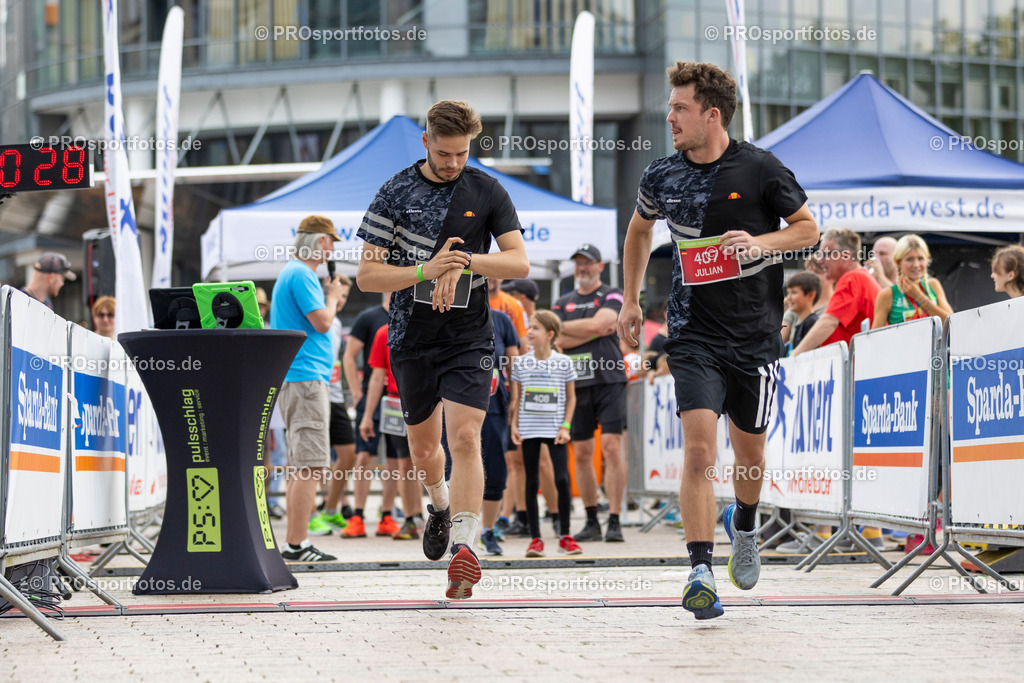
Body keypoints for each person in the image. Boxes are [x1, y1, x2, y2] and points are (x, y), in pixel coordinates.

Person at [617, 60, 819, 620]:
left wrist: (760, 245)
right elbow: (638, 230)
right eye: (670, 106)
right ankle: (701, 569)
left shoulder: (759, 167)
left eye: (680, 108)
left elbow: (807, 229)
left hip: (755, 337)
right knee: (701, 450)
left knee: (749, 455)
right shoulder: (661, 174)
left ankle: (747, 523)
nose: (670, 116)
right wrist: (631, 299)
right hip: (691, 333)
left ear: (711, 114)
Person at [355, 99, 529, 600]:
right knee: (424, 451)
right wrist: (424, 271)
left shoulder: (487, 190)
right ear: (426, 141)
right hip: (410, 339)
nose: (454, 163)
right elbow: (367, 275)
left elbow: (518, 264)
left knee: (467, 439)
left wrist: (464, 262)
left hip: (469, 336)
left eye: (463, 153)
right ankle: (438, 506)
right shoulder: (394, 191)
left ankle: (464, 550)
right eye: (446, 153)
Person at [271, 214, 345, 562]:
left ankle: (295, 542)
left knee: (303, 463)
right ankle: (297, 544)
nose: (332, 249)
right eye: (330, 242)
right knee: (310, 465)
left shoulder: (295, 273)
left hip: (299, 378)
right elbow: (323, 321)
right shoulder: (302, 273)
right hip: (305, 380)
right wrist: (332, 296)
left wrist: (329, 299)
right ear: (318, 242)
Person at [553, 243, 628, 543]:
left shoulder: (612, 293)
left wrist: (588, 328)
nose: (582, 268)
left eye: (588, 263)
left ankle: (615, 519)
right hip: (576, 384)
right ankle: (591, 518)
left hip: (609, 379)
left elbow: (605, 321)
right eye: (578, 263)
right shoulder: (562, 302)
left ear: (600, 266)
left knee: (611, 447)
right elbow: (557, 339)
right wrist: (596, 330)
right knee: (582, 453)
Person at [510, 310, 581, 557]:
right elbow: (516, 399)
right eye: (529, 327)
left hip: (555, 430)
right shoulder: (520, 362)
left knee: (562, 479)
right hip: (529, 428)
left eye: (536, 328)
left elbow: (571, 398)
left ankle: (565, 535)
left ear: (550, 334)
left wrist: (566, 426)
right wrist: (514, 426)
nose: (529, 331)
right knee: (532, 481)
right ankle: (535, 539)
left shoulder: (564, 362)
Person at [340, 297, 401, 539]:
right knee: (365, 455)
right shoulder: (368, 317)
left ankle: (387, 516)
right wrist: (357, 393)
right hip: (372, 397)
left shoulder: (409, 313)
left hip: (399, 398)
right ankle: (357, 516)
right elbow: (349, 356)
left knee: (396, 461)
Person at [359, 324, 424, 540]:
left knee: (426, 461)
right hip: (396, 403)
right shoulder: (382, 332)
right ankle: (411, 518)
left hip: (426, 401)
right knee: (405, 462)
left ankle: (428, 515)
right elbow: (377, 377)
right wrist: (367, 415)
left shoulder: (428, 325)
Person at [309, 275, 359, 536]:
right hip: (315, 391)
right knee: (314, 458)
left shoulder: (337, 323)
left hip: (336, 396)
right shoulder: (316, 318)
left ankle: (330, 510)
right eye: (338, 295)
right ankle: (312, 516)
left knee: (348, 454)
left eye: (345, 298)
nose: (341, 301)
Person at [793, 228, 881, 354]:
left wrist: (794, 357)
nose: (820, 260)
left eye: (825, 254)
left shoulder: (852, 278)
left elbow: (829, 322)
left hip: (854, 368)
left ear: (846, 256)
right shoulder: (861, 277)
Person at [477, 308, 520, 555]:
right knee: (452, 466)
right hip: (454, 401)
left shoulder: (501, 319)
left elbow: (513, 362)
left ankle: (488, 531)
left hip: (494, 402)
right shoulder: (448, 309)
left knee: (494, 469)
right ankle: (455, 532)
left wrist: (514, 399)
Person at [871, 234, 953, 328]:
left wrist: (920, 297)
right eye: (909, 259)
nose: (916, 265)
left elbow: (951, 325)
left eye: (920, 258)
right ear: (898, 262)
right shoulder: (887, 295)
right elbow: (875, 338)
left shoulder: (934, 285)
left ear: (927, 260)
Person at [784, 272, 821, 352]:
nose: (788, 298)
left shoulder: (811, 323)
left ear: (811, 295)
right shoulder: (800, 324)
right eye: (788, 293)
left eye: (794, 293)